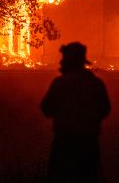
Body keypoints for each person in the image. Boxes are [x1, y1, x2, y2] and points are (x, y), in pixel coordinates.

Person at [41, 42, 111, 183]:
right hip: (88, 144)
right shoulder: (95, 84)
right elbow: (105, 109)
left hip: (63, 145)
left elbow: (46, 109)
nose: (61, 62)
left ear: (68, 62)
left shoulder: (60, 84)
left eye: (64, 59)